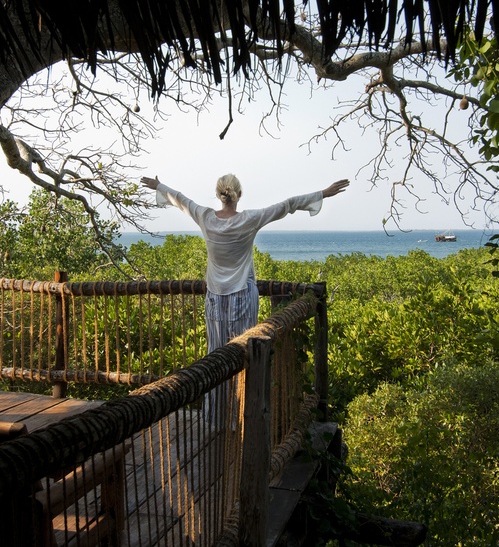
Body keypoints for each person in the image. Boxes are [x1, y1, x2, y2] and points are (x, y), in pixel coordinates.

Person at [140, 173, 349, 424]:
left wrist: (158, 186)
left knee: (215, 358)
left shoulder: (205, 217)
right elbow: (287, 205)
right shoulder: (249, 220)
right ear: (240, 194)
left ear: (219, 195)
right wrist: (322, 194)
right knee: (243, 357)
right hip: (242, 296)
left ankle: (215, 419)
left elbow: (180, 199)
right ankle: (241, 421)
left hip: (216, 298)